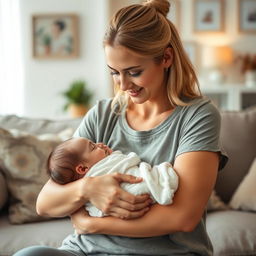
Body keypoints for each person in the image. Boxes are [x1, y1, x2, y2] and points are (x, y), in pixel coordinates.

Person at [14, 0, 228, 255]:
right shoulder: (104, 114)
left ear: (166, 58)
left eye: (134, 72)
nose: (123, 84)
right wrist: (87, 188)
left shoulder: (198, 116)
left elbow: (182, 218)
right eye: (114, 72)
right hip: (84, 250)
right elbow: (46, 202)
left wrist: (90, 223)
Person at [47, 137, 179, 217]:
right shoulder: (100, 167)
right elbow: (43, 205)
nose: (99, 143)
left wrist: (88, 224)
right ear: (82, 169)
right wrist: (87, 187)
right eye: (93, 147)